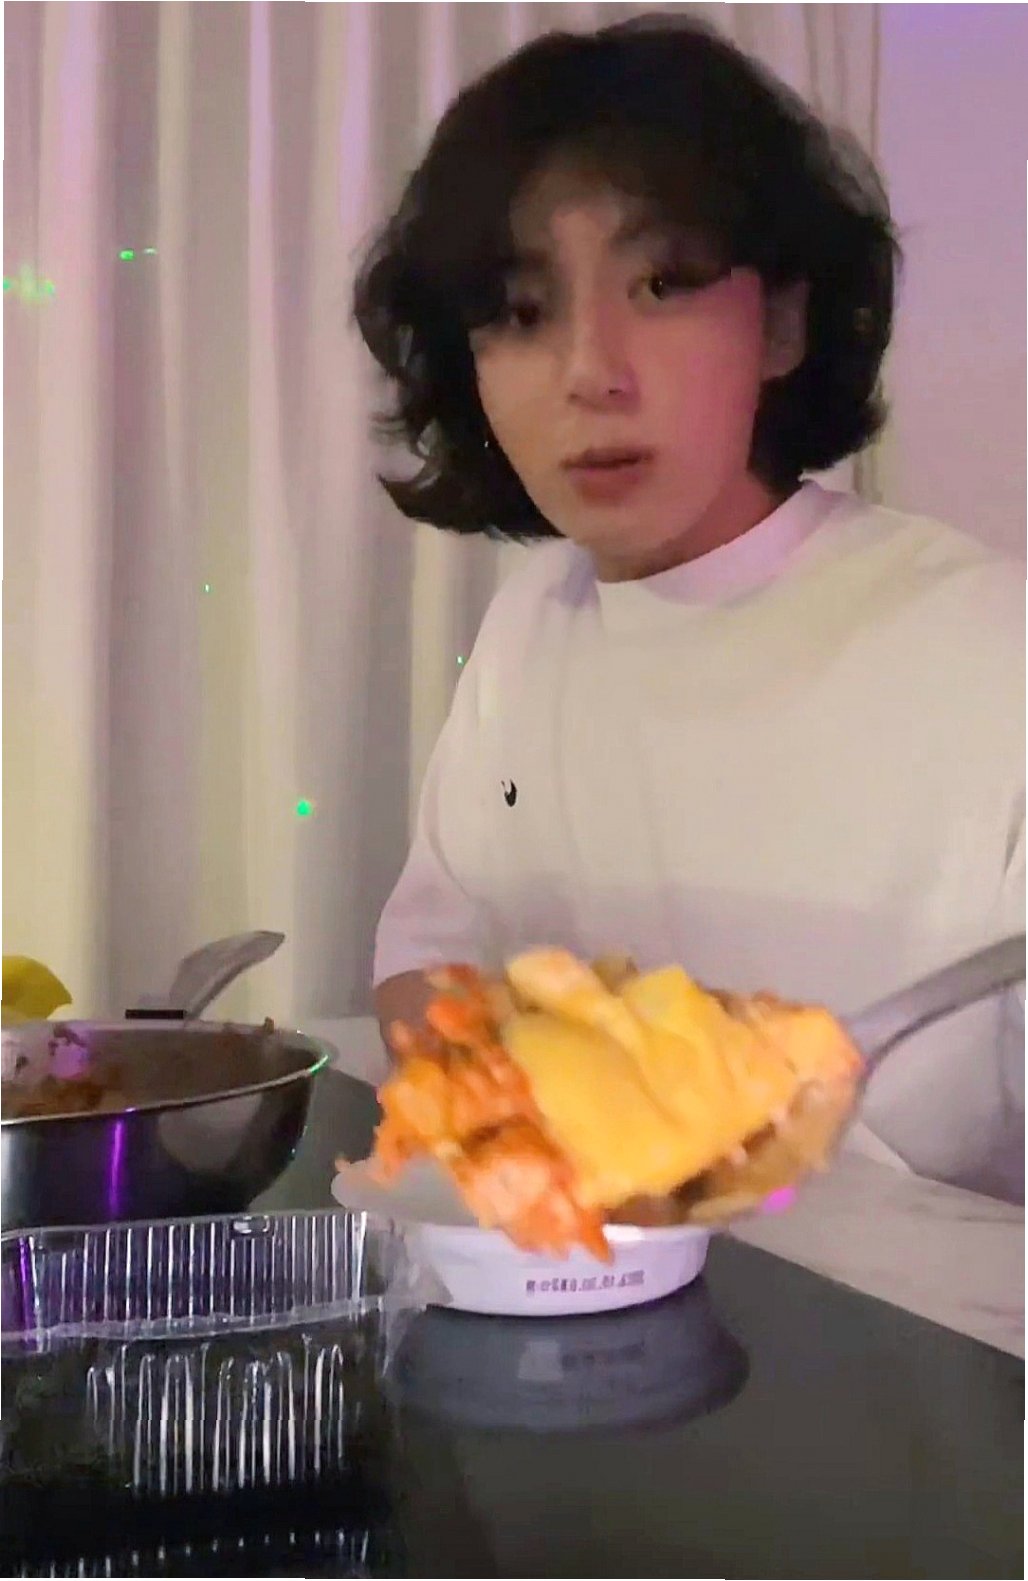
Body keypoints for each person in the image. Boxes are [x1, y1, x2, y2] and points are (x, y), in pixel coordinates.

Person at [353, 16, 1024, 1199]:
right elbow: (428, 965)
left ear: (781, 324)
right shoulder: (529, 631)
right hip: (572, 1289)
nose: (589, 372)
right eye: (521, 310)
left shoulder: (983, 647)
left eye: (662, 284)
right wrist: (498, 1104)